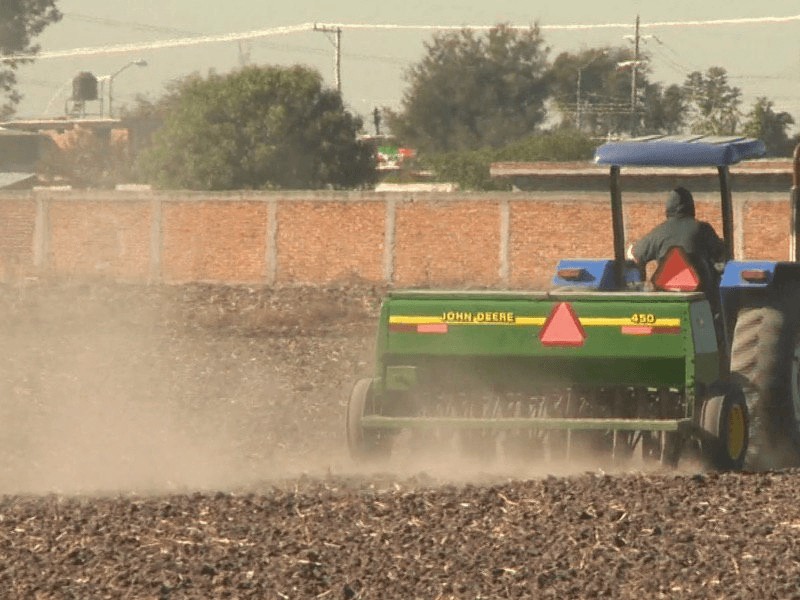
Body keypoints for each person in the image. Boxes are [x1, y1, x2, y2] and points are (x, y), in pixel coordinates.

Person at [627, 186, 727, 298]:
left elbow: (635, 254)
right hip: (701, 294)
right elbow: (720, 253)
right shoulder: (702, 228)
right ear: (691, 207)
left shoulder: (659, 232)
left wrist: (642, 281)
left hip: (665, 294)